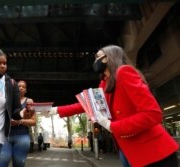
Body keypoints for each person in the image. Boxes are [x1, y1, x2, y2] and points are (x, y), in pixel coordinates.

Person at [44, 45, 179, 167]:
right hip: (128, 150)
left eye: (98, 56)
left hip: (153, 152)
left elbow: (153, 114)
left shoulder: (124, 72)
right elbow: (85, 105)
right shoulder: (105, 83)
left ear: (109, 57)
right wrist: (55, 110)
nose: (95, 61)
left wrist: (110, 126)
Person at [0, 80, 36, 167]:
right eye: (19, 86)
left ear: (26, 90)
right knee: (2, 161)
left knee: (19, 163)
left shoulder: (29, 101)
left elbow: (33, 122)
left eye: (23, 87)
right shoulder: (7, 99)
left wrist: (19, 122)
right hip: (6, 136)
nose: (21, 88)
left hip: (22, 136)